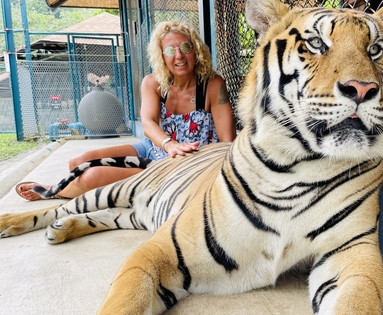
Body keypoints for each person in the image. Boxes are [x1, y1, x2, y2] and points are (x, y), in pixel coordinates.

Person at [16, 21, 236, 201]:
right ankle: (76, 190)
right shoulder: (153, 83)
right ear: (161, 55)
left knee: (92, 176)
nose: (179, 55)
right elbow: (148, 122)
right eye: (170, 50)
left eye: (185, 47)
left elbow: (227, 142)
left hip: (180, 165)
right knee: (78, 161)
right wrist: (168, 143)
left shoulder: (213, 84)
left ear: (195, 51)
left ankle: (53, 191)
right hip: (154, 148)